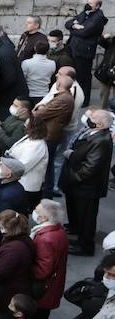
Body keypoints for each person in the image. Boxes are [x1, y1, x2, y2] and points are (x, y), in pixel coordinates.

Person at [60, 108, 113, 255]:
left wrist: (74, 177)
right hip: (82, 185)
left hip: (87, 187)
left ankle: (85, 246)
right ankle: (80, 240)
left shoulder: (101, 141)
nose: (89, 119)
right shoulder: (95, 134)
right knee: (82, 216)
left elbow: (91, 167)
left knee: (87, 218)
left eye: (93, 118)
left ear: (101, 124)